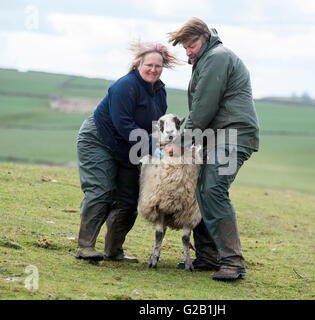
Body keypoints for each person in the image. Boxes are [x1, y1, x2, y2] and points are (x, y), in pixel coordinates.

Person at [167, 18, 260, 281]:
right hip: (217, 136)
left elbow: (204, 108)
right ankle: (208, 257)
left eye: (192, 44)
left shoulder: (217, 57)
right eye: (185, 48)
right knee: (203, 190)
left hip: (234, 136)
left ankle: (233, 262)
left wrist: (180, 142)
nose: (189, 51)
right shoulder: (207, 59)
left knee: (213, 189)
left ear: (206, 37)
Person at [75, 42, 179, 261]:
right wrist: (151, 147)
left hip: (129, 148)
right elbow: (123, 124)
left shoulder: (160, 93)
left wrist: (165, 145)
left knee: (129, 200)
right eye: (149, 65)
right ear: (139, 64)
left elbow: (157, 125)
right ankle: (85, 247)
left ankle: (113, 251)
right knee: (101, 192)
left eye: (158, 66)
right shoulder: (124, 86)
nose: (153, 69)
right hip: (99, 140)